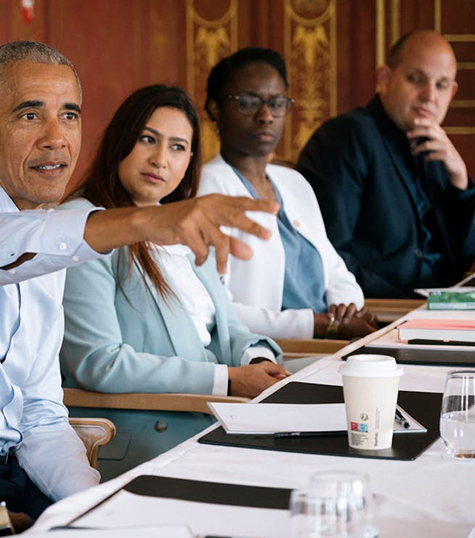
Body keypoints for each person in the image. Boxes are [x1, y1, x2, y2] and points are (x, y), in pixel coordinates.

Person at [0, 40, 279, 519]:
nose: (55, 137)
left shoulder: (50, 243)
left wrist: (97, 504)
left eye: (69, 116)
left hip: (8, 481)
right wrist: (142, 223)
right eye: (29, 115)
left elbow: (40, 415)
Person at [59, 85, 287, 479]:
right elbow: (99, 363)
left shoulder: (181, 222)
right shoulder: (87, 225)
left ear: (190, 162)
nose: (161, 159)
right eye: (148, 139)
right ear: (120, 141)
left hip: (215, 415)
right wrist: (228, 381)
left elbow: (228, 329)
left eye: (178, 147)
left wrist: (259, 363)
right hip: (153, 431)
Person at [198, 47, 377, 340]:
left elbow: (335, 269)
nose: (266, 115)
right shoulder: (207, 188)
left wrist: (345, 309)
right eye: (247, 102)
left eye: (277, 102)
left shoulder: (294, 183)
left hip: (333, 341)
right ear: (215, 108)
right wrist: (323, 325)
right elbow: (217, 308)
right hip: (270, 352)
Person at [297, 30, 475, 298]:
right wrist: (405, 305)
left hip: (437, 311)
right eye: (415, 79)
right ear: (385, 79)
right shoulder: (347, 136)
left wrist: (459, 180)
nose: (429, 96)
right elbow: (330, 255)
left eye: (441, 85)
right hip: (378, 314)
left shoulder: (436, 150)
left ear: (452, 92)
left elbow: (463, 259)